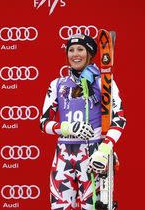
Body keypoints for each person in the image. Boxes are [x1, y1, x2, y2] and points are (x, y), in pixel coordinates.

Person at [39, 34, 126, 209]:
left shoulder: (104, 82)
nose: (75, 54)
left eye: (80, 49)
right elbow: (44, 123)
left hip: (94, 153)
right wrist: (67, 128)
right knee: (60, 207)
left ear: (90, 53)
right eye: (70, 50)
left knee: (92, 206)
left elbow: (119, 118)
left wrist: (105, 149)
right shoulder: (57, 84)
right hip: (64, 153)